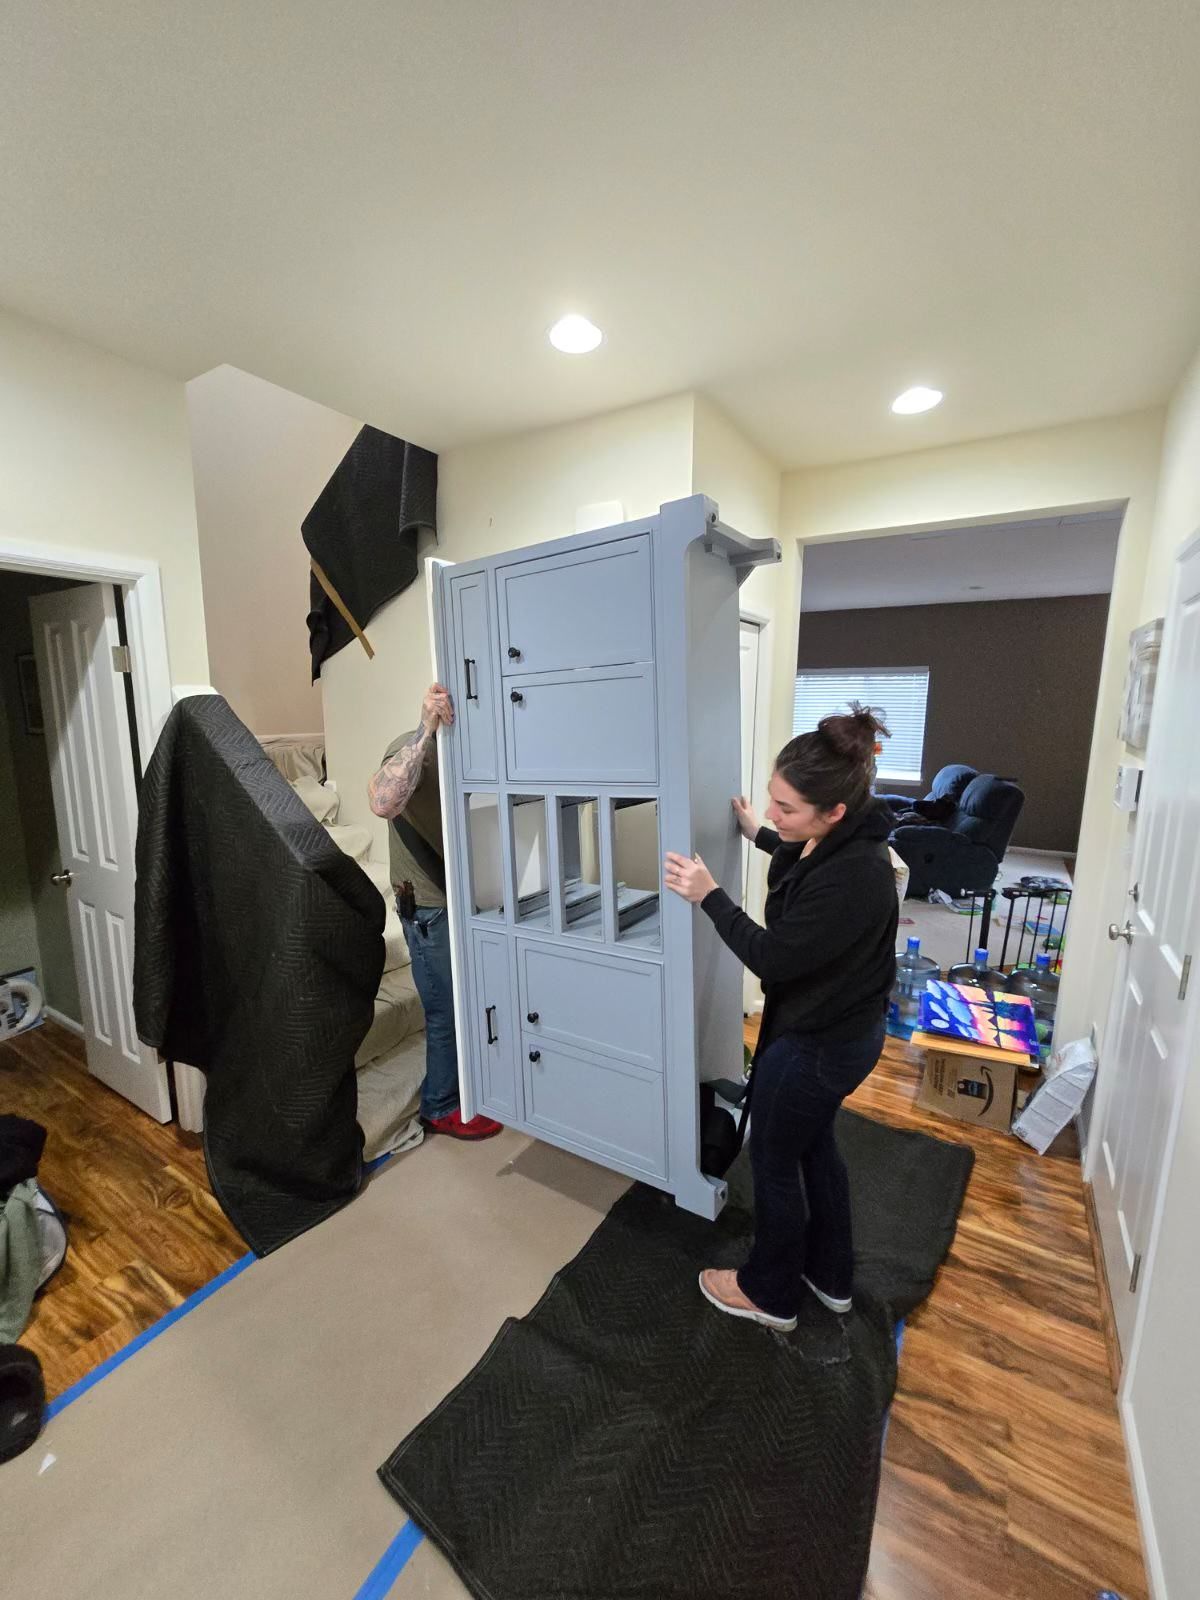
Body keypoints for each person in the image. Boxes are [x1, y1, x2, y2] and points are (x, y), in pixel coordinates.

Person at [663, 704, 897, 1331]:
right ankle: (829, 1273)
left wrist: (708, 895)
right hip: (838, 1029)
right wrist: (758, 834)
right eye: (773, 799)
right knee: (813, 1147)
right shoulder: (844, 840)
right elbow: (804, 854)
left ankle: (770, 1291)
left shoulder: (857, 879)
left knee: (772, 1157)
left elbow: (773, 955)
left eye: (785, 810)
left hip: (822, 1043)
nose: (773, 814)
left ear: (834, 812)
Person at [368, 684, 502, 1141]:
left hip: (465, 897)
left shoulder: (478, 757)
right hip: (426, 904)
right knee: (444, 1007)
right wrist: (425, 729)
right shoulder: (413, 750)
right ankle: (440, 1106)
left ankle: (465, 1085)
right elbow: (382, 802)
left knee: (468, 1000)